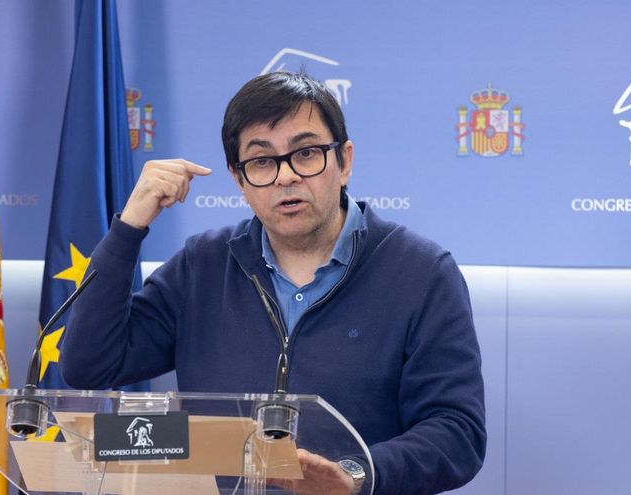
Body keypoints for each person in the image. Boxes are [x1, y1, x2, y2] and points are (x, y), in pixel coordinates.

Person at [61, 72, 486, 494]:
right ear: (238, 179)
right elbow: (90, 364)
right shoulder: (202, 266)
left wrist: (356, 475)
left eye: (306, 154)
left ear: (344, 161)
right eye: (262, 161)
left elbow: (457, 431)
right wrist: (129, 228)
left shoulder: (421, 272)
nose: (286, 177)